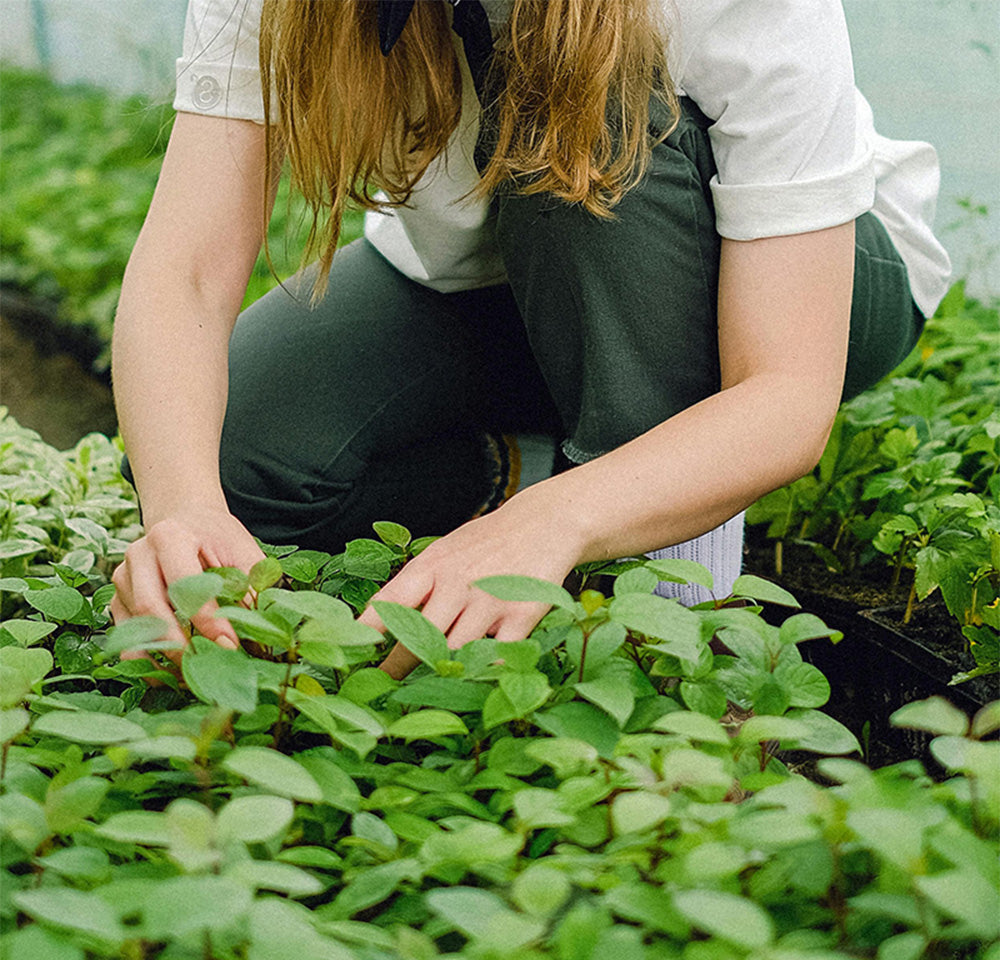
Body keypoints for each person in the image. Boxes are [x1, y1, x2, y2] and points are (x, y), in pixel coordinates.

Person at [109, 0, 950, 678]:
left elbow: (785, 394)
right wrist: (181, 511)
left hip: (793, 281)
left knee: (576, 125)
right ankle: (525, 465)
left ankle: (680, 607)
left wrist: (555, 525)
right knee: (220, 451)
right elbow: (185, 271)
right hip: (490, 280)